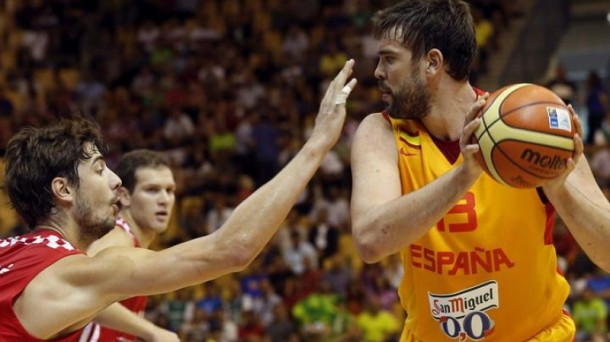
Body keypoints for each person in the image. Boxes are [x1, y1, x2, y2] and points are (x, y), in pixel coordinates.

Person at [0, 60, 356, 340]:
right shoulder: (81, 270)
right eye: (98, 169)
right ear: (63, 190)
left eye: (170, 190)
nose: (115, 180)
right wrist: (316, 146)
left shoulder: (10, 252)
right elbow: (231, 249)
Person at [349, 1, 610, 341]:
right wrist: (464, 173)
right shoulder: (380, 133)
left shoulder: (531, 127)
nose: (378, 72)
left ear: (432, 62)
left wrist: (559, 188)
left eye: (389, 58)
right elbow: (370, 241)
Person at [79, 149, 179, 341]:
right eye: (152, 190)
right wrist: (152, 331)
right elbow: (83, 290)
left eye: (170, 190)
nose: (165, 200)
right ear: (124, 196)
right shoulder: (118, 237)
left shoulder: (134, 244)